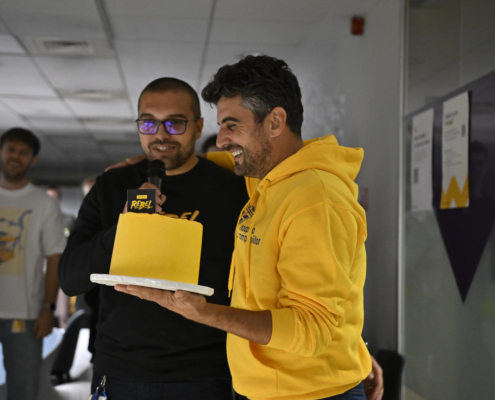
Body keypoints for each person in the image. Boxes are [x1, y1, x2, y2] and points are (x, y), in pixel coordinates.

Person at [117, 55, 374, 400]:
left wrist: (204, 312)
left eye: (232, 125)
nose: (222, 139)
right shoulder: (269, 177)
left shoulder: (315, 200)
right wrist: (153, 160)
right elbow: (217, 160)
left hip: (311, 393)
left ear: (275, 121)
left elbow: (312, 328)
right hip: (267, 389)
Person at [58, 77, 249, 399]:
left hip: (203, 372)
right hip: (120, 369)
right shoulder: (111, 186)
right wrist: (126, 229)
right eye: (148, 123)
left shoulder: (232, 191)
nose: (161, 135)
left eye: (175, 123)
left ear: (198, 127)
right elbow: (70, 278)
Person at [0, 127, 66, 400]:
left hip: (25, 314)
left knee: (23, 392)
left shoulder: (44, 204)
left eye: (23, 152)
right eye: (11, 150)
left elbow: (55, 258)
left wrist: (48, 308)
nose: (16, 157)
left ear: (33, 159)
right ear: (1, 152)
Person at [46, 185, 76, 328]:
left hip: (62, 271)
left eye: (55, 197)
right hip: (42, 272)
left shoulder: (69, 220)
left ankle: (64, 339)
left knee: (64, 313)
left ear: (59, 199)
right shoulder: (38, 219)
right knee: (41, 311)